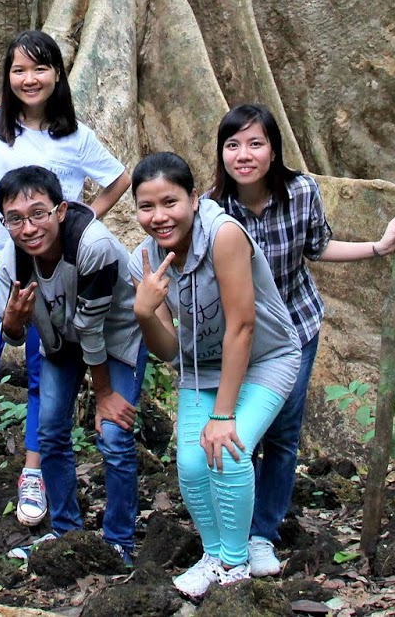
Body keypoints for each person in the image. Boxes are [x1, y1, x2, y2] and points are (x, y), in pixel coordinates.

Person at [0, 30, 129, 524]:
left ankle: (33, 471)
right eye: (19, 70)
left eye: (39, 69)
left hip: (53, 271)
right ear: (7, 77)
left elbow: (119, 178)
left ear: (56, 74)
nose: (29, 79)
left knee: (43, 371)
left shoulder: (75, 137)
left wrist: (82, 220)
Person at [209, 103, 395, 576]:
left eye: (255, 143)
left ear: (274, 149)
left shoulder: (302, 191)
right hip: (237, 338)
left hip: (295, 330)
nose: (244, 154)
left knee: (282, 434)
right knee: (240, 432)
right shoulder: (212, 209)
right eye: (233, 144)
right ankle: (229, 532)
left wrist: (377, 248)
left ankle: (263, 533)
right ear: (221, 153)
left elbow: (317, 247)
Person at [128, 152, 301, 599]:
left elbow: (242, 326)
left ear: (193, 196)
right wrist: (146, 313)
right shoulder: (145, 260)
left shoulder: (223, 235)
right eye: (147, 207)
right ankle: (215, 554)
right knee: (190, 464)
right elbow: (168, 350)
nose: (160, 217)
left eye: (170, 202)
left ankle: (235, 565)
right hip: (201, 369)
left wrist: (222, 415)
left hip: (266, 359)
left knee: (227, 450)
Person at [0, 165, 146, 564]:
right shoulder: (13, 260)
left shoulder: (93, 245)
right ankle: (65, 530)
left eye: (38, 213)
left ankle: (120, 541)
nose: (28, 228)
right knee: (50, 429)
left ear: (60, 210)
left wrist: (105, 395)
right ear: (4, 223)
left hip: (115, 337)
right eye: (15, 219)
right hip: (61, 340)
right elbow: (10, 332)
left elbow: (93, 329)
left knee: (114, 433)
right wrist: (12, 321)